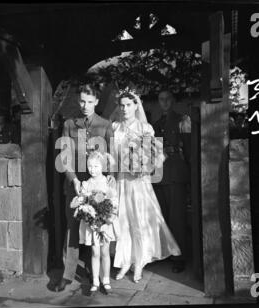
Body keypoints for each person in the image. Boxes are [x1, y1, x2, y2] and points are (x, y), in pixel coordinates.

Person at [111, 88, 181, 283]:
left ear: (136, 106)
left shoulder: (145, 128)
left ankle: (140, 260)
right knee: (122, 220)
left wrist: (145, 167)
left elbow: (157, 156)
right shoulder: (115, 127)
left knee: (140, 219)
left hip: (139, 182)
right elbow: (111, 156)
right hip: (121, 181)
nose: (124, 109)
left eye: (128, 105)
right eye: (122, 105)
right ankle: (126, 259)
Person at [55, 83, 114, 292]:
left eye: (90, 101)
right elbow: (64, 156)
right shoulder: (70, 124)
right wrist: (74, 179)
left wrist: (107, 179)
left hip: (97, 187)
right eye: (82, 101)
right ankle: (68, 274)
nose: (85, 105)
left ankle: (93, 271)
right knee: (72, 228)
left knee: (95, 227)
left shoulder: (105, 125)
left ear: (96, 102)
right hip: (75, 186)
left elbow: (112, 158)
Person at [152, 90, 191, 273]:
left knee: (177, 218)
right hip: (160, 175)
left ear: (173, 100)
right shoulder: (156, 124)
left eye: (168, 98)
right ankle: (167, 253)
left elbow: (189, 148)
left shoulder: (183, 120)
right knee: (164, 217)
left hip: (176, 173)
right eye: (161, 99)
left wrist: (189, 173)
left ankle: (179, 257)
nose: (165, 102)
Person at [77, 151, 119, 293]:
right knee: (95, 252)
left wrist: (109, 217)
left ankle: (106, 280)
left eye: (96, 166)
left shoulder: (107, 182)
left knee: (105, 252)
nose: (92, 169)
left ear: (102, 167)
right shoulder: (87, 184)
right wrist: (89, 216)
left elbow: (114, 201)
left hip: (105, 223)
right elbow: (82, 202)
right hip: (92, 225)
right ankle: (95, 280)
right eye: (90, 166)